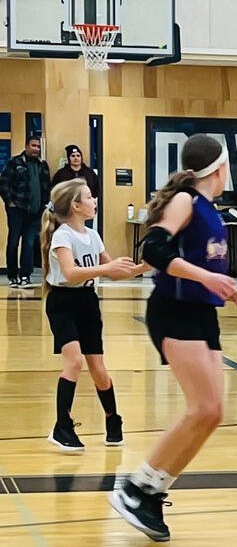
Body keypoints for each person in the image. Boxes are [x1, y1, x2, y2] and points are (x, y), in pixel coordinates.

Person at [109, 134, 237, 541]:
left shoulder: (213, 211)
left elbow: (204, 269)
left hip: (202, 313)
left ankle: (153, 491)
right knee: (202, 407)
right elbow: (155, 250)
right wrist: (209, 277)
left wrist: (234, 293)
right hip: (173, 310)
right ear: (221, 166)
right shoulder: (186, 201)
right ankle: (135, 487)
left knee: (213, 412)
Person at [41, 178, 143, 451]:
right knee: (73, 361)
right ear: (76, 206)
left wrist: (150, 264)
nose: (94, 200)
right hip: (62, 301)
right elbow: (72, 273)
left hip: (87, 301)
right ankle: (61, 425)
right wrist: (105, 270)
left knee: (98, 368)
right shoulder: (63, 235)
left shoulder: (93, 235)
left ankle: (113, 418)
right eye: (89, 196)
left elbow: (117, 272)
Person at [2, 134, 51, 287]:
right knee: (13, 242)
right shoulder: (14, 163)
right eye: (33, 145)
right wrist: (9, 202)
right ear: (26, 146)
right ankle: (12, 276)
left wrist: (45, 205)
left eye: (38, 146)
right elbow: (3, 184)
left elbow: (46, 188)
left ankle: (25, 275)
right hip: (17, 210)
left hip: (35, 212)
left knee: (29, 243)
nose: (36, 149)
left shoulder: (43, 166)